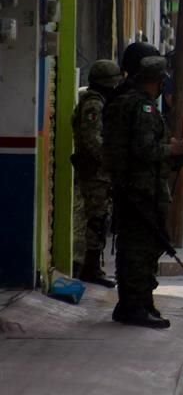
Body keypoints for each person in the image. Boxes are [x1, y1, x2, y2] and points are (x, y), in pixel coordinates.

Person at [103, 43, 183, 329]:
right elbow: (143, 150)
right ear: (155, 80)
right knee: (138, 250)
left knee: (144, 246)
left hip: (139, 188)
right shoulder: (140, 105)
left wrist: (170, 151)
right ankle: (133, 306)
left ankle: (140, 302)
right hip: (139, 190)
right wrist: (172, 149)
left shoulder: (128, 100)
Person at [71, 59, 123, 287]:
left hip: (99, 173)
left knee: (100, 218)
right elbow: (92, 140)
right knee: (96, 219)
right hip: (95, 173)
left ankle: (91, 266)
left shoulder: (98, 101)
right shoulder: (94, 104)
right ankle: (88, 267)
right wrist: (110, 162)